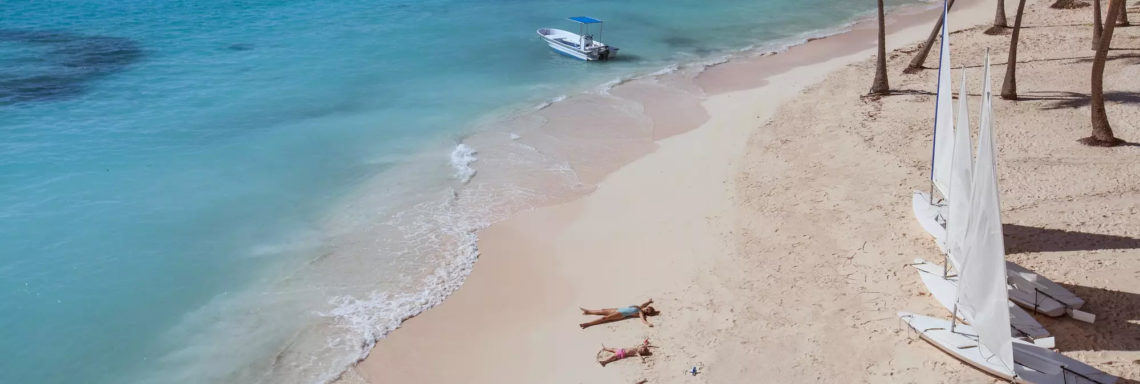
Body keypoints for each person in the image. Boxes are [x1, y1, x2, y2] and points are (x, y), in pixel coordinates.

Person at [579, 299, 657, 329]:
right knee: (602, 310)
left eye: (647, 311)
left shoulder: (640, 312)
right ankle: (588, 311)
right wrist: (649, 301)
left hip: (620, 314)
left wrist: (648, 324)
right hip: (618, 309)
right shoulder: (640, 307)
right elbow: (644, 304)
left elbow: (643, 320)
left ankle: (588, 324)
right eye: (647, 309)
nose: (646, 310)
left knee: (604, 318)